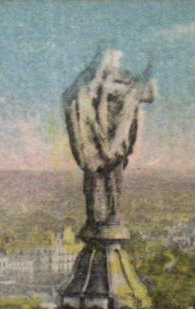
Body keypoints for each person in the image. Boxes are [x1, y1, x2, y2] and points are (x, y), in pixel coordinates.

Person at [63, 50, 156, 225]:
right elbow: (74, 96)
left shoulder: (124, 86)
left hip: (115, 143)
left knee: (113, 183)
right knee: (93, 184)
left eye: (114, 61)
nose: (113, 65)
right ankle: (93, 219)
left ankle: (112, 216)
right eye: (110, 61)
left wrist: (149, 73)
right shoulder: (93, 86)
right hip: (95, 143)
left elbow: (149, 95)